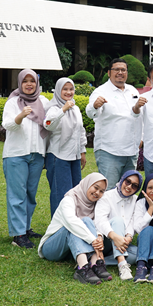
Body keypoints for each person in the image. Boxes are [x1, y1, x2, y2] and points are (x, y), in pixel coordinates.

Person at [1, 69, 47, 249]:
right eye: (25, 81)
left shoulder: (43, 101)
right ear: (20, 83)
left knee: (30, 194)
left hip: (37, 154)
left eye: (32, 81)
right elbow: (7, 125)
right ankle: (18, 234)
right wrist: (20, 116)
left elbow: (50, 123)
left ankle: (26, 228)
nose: (29, 84)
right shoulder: (13, 102)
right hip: (16, 154)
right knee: (17, 195)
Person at [38, 173, 112, 285]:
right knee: (73, 226)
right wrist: (93, 240)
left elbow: (97, 223)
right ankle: (82, 268)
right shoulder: (69, 199)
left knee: (87, 220)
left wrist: (99, 237)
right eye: (95, 187)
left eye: (101, 191)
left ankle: (95, 263)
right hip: (52, 249)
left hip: (69, 250)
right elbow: (71, 222)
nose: (97, 193)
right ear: (87, 184)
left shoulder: (95, 204)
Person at [86, 58, 143, 187]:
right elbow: (91, 113)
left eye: (123, 70)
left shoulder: (133, 90)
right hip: (109, 150)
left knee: (128, 189)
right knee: (109, 189)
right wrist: (95, 106)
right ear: (109, 72)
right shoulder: (100, 91)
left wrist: (141, 137)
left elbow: (140, 116)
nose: (120, 72)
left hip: (131, 150)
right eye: (116, 69)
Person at [44, 77, 87, 217]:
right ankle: (58, 225)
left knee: (75, 193)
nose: (69, 92)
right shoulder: (53, 108)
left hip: (74, 156)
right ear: (58, 90)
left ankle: (71, 222)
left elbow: (80, 131)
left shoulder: (75, 108)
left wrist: (82, 151)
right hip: (58, 156)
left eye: (71, 89)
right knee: (60, 193)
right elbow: (48, 125)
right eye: (65, 89)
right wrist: (63, 110)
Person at [95, 169, 143, 280]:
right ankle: (122, 264)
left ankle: (99, 261)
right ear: (122, 180)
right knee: (117, 221)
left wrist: (129, 236)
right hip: (105, 241)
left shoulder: (135, 200)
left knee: (138, 255)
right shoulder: (107, 196)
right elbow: (100, 221)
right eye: (128, 182)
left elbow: (133, 221)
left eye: (134, 186)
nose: (129, 187)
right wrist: (114, 237)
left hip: (122, 243)